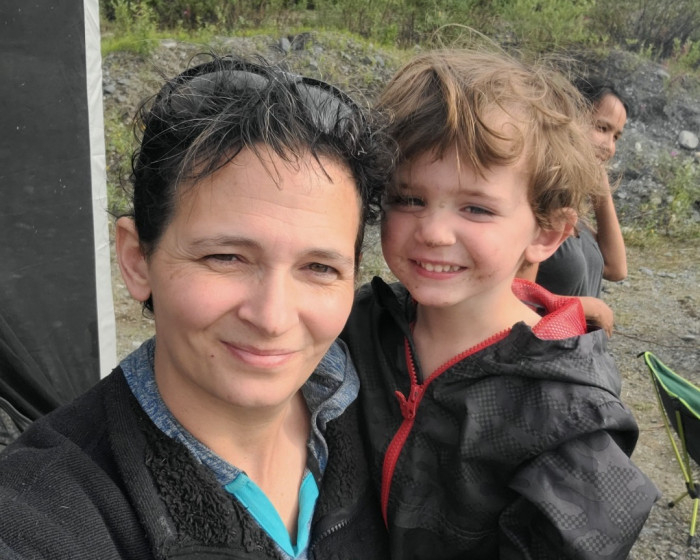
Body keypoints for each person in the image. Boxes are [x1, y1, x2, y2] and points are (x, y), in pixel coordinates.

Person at [0, 55, 395, 560]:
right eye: (226, 258)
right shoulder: (43, 512)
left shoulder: (387, 411)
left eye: (319, 267)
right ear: (136, 259)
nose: (272, 318)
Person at [341, 49, 659, 559]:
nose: (434, 231)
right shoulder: (357, 324)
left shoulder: (569, 424)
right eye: (409, 199)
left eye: (476, 207)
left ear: (547, 234)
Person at [525, 78, 630, 336]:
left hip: (581, 355)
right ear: (568, 118)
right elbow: (512, 297)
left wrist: (600, 187)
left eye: (616, 137)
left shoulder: (571, 209)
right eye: (601, 128)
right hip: (544, 355)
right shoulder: (537, 204)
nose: (609, 147)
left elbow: (616, 268)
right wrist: (586, 308)